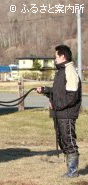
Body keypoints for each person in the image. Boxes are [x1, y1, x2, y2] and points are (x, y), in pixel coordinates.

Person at [36, 45, 82, 178]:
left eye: (56, 56)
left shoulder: (70, 70)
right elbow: (59, 93)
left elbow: (72, 96)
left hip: (66, 114)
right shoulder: (61, 71)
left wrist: (57, 105)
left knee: (69, 141)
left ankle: (73, 171)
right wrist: (45, 90)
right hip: (60, 113)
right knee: (63, 141)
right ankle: (70, 170)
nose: (54, 58)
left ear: (62, 56)